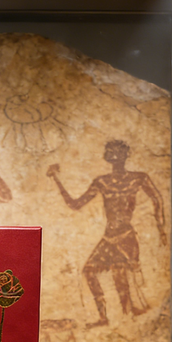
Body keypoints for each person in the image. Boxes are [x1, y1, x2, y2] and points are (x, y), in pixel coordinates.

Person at [47, 139, 166, 327]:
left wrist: (161, 228)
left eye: (118, 152)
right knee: (91, 271)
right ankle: (106, 317)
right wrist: (56, 180)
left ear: (125, 155)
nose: (115, 156)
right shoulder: (102, 181)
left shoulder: (138, 178)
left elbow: (157, 199)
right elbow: (75, 204)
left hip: (125, 235)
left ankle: (126, 315)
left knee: (119, 276)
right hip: (109, 236)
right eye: (111, 152)